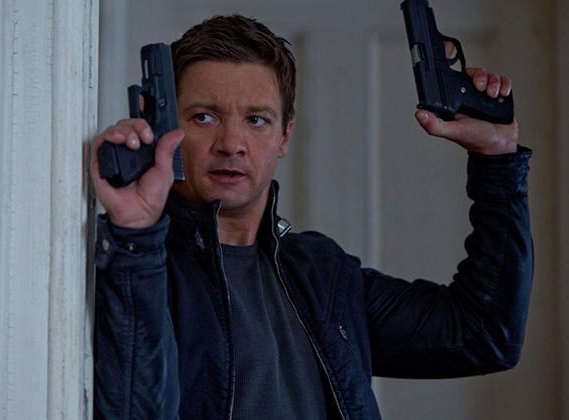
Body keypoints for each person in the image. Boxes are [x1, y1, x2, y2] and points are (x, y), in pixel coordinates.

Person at [91, 14, 533, 420]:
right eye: (204, 117)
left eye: (257, 120)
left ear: (285, 135)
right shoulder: (139, 266)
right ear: (168, 128)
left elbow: (484, 334)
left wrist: (497, 160)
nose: (231, 143)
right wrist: (135, 236)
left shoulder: (323, 276)